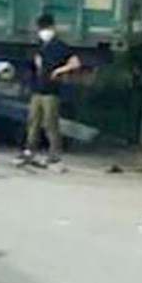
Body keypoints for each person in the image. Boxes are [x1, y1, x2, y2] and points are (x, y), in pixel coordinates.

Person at [17, 13, 82, 169]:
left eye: (45, 28)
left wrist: (60, 70)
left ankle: (54, 153)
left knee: (50, 123)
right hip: (37, 90)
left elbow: (76, 63)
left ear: (53, 28)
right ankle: (29, 150)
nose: (43, 31)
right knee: (33, 121)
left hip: (51, 91)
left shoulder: (60, 46)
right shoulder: (39, 45)